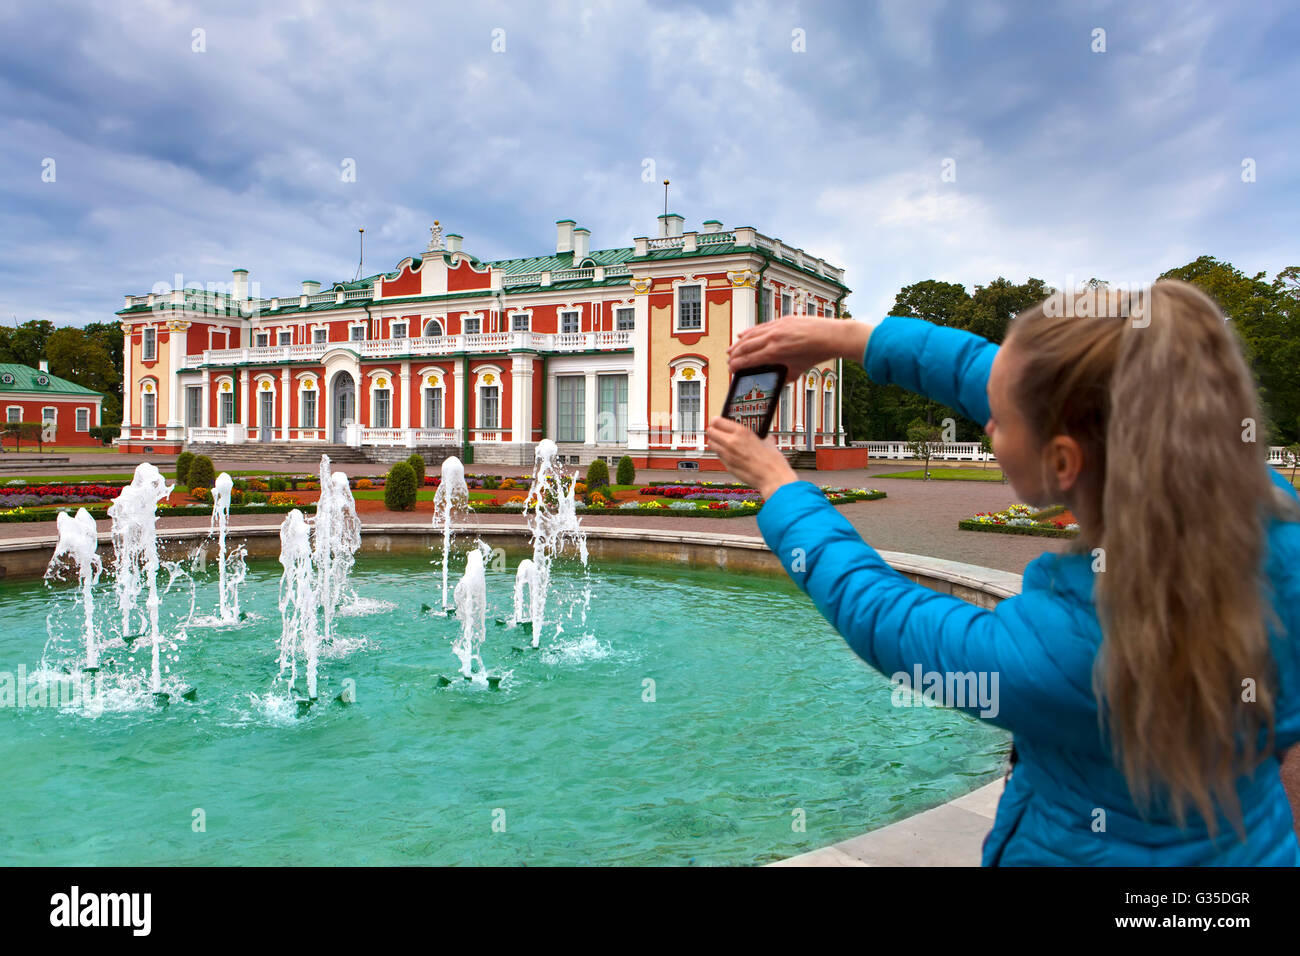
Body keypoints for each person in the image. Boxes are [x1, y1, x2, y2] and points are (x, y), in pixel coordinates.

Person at [706, 280, 1300, 865]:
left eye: (1000, 418)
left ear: (1062, 460)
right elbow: (1009, 376)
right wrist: (849, 337)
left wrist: (779, 487)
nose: (986, 421)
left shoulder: (1070, 651)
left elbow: (881, 612)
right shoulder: (1260, 511)